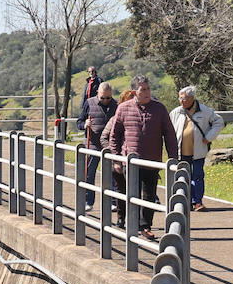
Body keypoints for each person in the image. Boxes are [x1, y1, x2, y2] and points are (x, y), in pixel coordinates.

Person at [110, 75, 177, 240]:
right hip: (130, 161)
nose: (147, 92)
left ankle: (145, 226)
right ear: (134, 92)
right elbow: (114, 136)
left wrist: (174, 159)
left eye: (148, 88)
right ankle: (133, 225)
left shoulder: (159, 109)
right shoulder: (123, 108)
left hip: (152, 161)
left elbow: (169, 135)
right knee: (133, 194)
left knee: (149, 195)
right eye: (143, 89)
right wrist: (117, 159)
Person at [169, 85, 224, 212]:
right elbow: (169, 128)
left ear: (192, 98)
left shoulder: (205, 111)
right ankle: (185, 202)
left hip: (198, 151)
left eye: (184, 98)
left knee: (198, 176)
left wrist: (209, 137)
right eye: (180, 98)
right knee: (183, 177)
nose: (181, 101)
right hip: (180, 152)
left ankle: (197, 202)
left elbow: (219, 122)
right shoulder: (176, 112)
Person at [74, 81, 117, 210]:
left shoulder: (116, 105)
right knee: (89, 174)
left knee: (113, 175)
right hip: (92, 145)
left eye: (108, 98)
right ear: (97, 94)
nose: (105, 100)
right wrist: (84, 125)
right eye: (102, 97)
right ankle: (88, 201)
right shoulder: (89, 103)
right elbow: (79, 122)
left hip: (109, 146)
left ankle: (113, 202)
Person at [101, 89, 136, 227]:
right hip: (119, 162)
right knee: (122, 190)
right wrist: (114, 153)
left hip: (134, 161)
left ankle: (137, 222)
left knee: (136, 192)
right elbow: (104, 137)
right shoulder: (114, 119)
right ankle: (121, 218)